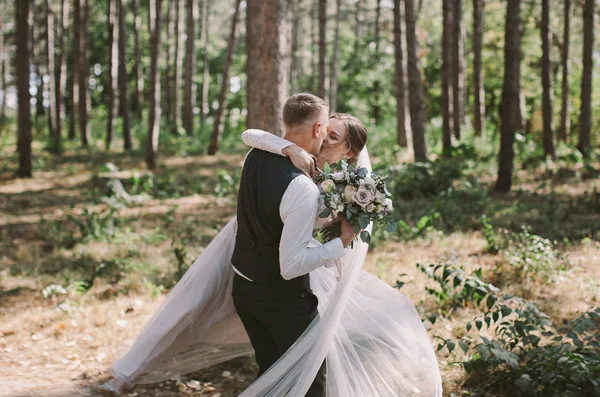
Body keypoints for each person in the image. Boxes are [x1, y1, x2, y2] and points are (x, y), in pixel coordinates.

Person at [101, 95, 442, 396]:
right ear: (316, 127)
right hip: (253, 246)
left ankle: (131, 372)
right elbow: (251, 135)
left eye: (333, 137)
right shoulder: (291, 156)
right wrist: (290, 147)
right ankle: (129, 370)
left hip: (281, 260)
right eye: (325, 130)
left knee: (289, 360)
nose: (323, 140)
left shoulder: (350, 191)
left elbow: (319, 244)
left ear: (349, 151)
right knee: (189, 300)